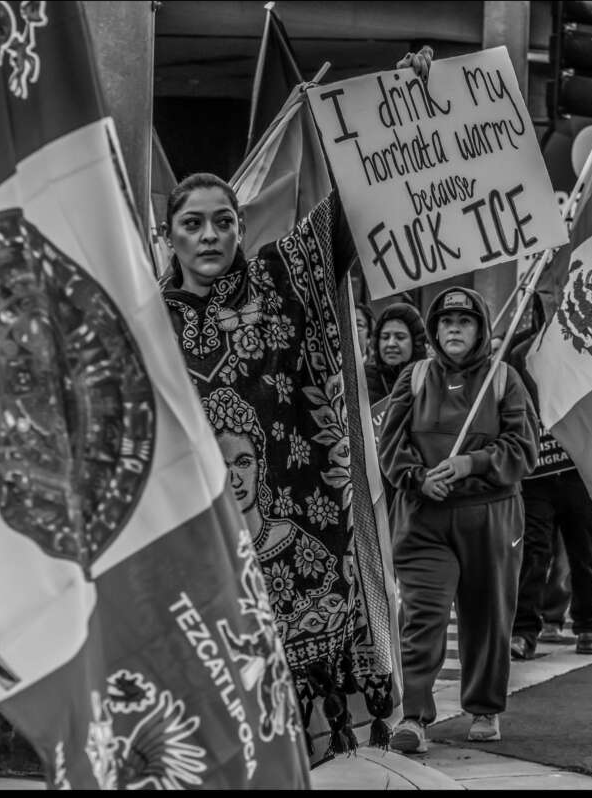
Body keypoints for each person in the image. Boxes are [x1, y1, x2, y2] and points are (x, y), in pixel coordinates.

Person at [158, 46, 433, 761]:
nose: (211, 234)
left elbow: (357, 208)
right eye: (193, 222)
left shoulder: (281, 282)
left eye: (223, 220)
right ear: (169, 235)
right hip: (184, 548)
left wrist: (403, 109)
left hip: (288, 554)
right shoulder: (143, 322)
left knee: (279, 737)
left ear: (240, 227)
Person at [379, 286, 539, 752]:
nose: (454, 328)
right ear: (433, 330)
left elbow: (523, 450)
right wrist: (416, 478)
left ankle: (484, 706)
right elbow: (390, 444)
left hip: (489, 517)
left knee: (488, 613)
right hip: (424, 516)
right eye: (446, 321)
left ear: (481, 330)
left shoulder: (504, 379)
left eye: (465, 322)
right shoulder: (413, 376)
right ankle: (413, 716)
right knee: (422, 617)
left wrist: (473, 463)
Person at [504, 292, 592, 660]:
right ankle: (524, 631)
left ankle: (589, 624)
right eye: (545, 305)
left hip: (577, 469)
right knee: (532, 552)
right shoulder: (519, 355)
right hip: (537, 472)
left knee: (585, 549)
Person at [365, 301, 428, 404]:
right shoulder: (362, 380)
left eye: (400, 337)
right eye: (385, 337)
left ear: (416, 342)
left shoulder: (431, 378)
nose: (391, 343)